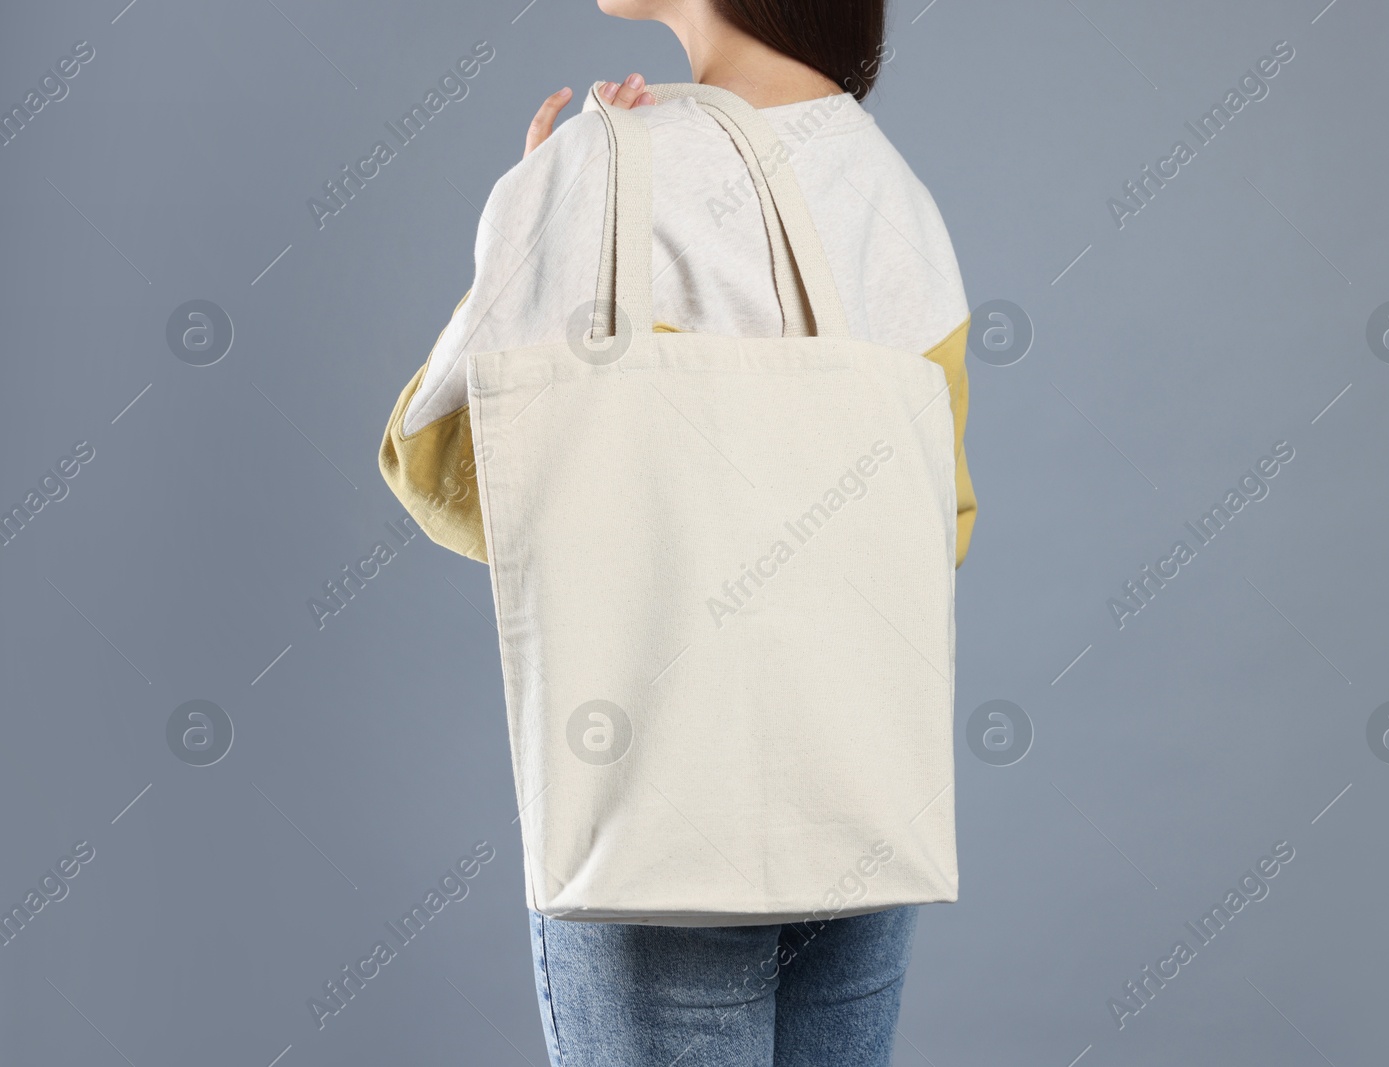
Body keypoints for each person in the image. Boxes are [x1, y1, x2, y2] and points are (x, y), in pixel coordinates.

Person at [379, 1, 974, 1062]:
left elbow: (454, 478)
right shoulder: (898, 194)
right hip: (857, 793)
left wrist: (526, 228)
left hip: (661, 807)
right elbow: (940, 525)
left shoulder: (600, 168)